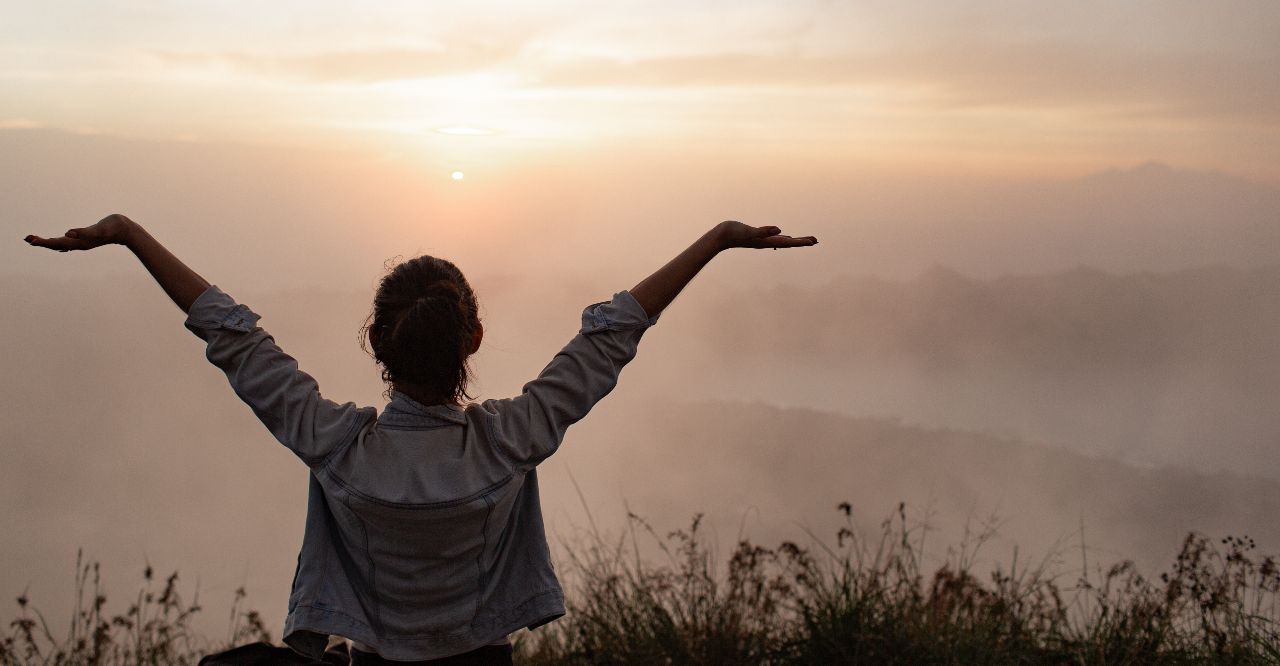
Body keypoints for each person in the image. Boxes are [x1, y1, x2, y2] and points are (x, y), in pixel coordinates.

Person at [24, 216, 818, 664]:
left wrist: (131, 234)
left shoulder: (338, 449)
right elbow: (611, 336)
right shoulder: (510, 442)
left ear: (375, 343)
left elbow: (233, 339)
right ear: (473, 338)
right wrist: (714, 241)